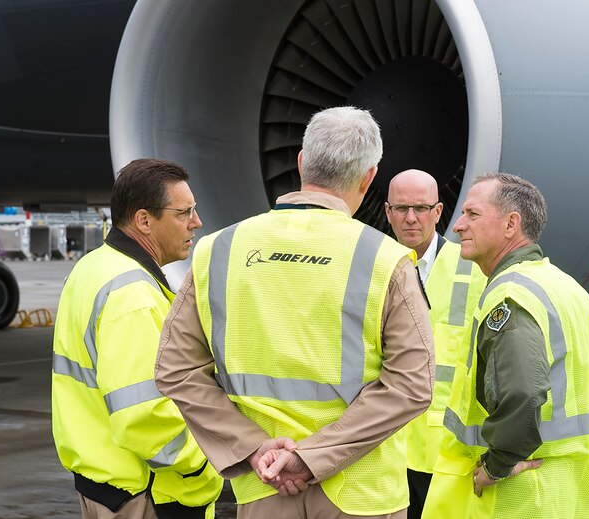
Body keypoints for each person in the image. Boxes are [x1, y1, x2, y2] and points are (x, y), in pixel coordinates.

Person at [155, 106, 435, 518]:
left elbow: (175, 369)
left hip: (263, 486)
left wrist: (252, 447)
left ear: (302, 162)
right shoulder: (385, 259)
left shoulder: (218, 250)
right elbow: (412, 385)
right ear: (369, 176)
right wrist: (312, 456)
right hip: (360, 495)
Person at [423, 173, 589, 518]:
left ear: (510, 224)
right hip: (574, 491)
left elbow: (524, 394)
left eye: (473, 214)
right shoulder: (567, 287)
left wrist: (498, 463)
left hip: (522, 499)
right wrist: (557, 442)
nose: (457, 225)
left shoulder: (511, 295)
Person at [52, 158, 222, 518]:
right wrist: (204, 463)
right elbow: (142, 415)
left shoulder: (94, 266)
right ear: (144, 220)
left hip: (105, 481)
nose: (197, 222)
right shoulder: (132, 295)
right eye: (184, 213)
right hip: (147, 493)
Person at [384, 169, 486, 518]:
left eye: (421, 208)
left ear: (439, 212)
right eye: (400, 209)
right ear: (387, 212)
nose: (411, 218)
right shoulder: (370, 264)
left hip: (444, 450)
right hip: (383, 446)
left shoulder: (474, 268)